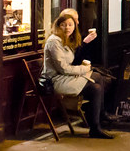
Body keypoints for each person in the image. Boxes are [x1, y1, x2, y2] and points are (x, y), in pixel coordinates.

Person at [42, 8, 114, 139]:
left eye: (71, 25)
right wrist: (84, 69)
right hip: (56, 80)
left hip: (65, 77)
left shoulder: (66, 39)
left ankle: (97, 119)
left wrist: (85, 44)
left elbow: (73, 60)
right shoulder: (54, 41)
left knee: (98, 78)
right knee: (95, 87)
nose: (67, 28)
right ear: (58, 26)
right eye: (64, 25)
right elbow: (63, 69)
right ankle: (96, 125)